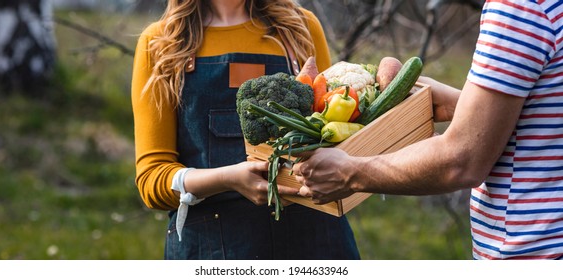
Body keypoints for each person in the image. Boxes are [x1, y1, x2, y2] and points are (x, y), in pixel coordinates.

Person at [293, 0, 563, 260]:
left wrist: (349, 172)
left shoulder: (521, 7)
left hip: (533, 251)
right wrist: (466, 107)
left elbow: (461, 161)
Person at [130, 0, 360, 260]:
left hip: (316, 241)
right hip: (215, 248)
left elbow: (331, 140)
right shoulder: (160, 43)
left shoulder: (300, 28)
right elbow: (152, 180)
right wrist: (228, 179)